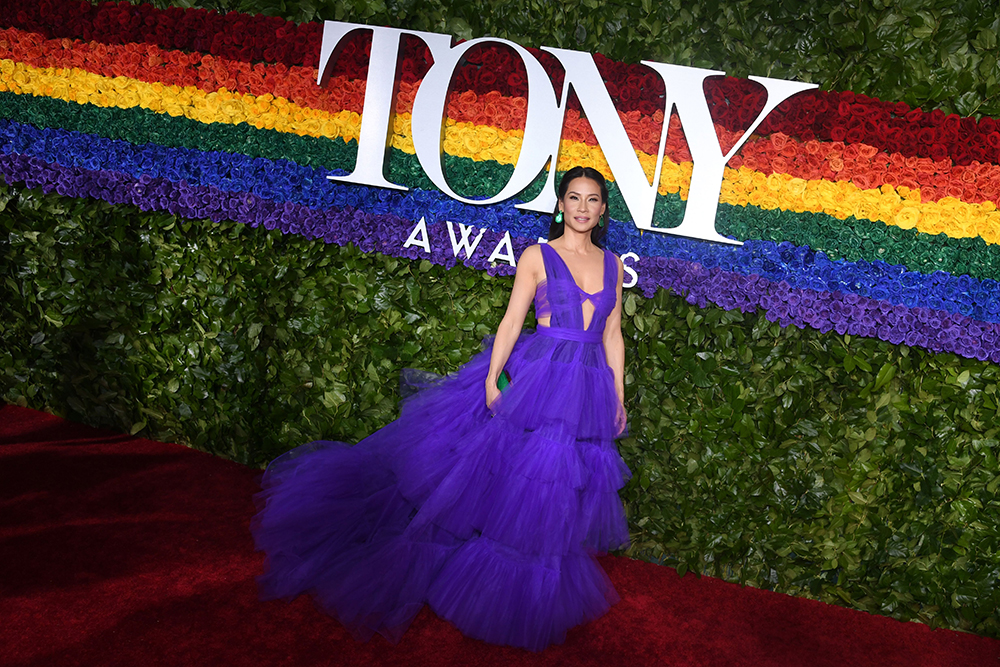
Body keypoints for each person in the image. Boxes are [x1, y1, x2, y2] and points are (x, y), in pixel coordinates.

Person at [250, 166, 631, 652]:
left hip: (586, 385)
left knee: (559, 487)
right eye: (573, 198)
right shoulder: (538, 256)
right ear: (560, 205)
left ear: (601, 209)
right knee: (521, 480)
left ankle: (536, 584)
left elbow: (613, 333)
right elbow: (513, 320)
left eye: (592, 199)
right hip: (539, 379)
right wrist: (494, 379)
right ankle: (499, 587)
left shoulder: (613, 264)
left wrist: (617, 394)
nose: (582, 207)